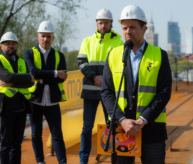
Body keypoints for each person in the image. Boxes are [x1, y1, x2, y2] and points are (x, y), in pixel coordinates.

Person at [101, 5, 172, 164]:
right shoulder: (113, 55)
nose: (128, 31)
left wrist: (142, 119)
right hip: (122, 129)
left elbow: (164, 92)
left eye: (133, 27)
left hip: (152, 128)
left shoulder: (160, 55)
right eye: (124, 28)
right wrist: (122, 120)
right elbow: (106, 92)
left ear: (144, 28)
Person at [77, 8, 123, 164]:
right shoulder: (87, 41)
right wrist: (95, 77)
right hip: (90, 91)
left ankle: (113, 158)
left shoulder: (118, 42)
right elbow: (81, 63)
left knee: (111, 126)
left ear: (111, 24)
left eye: (106, 23)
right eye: (100, 22)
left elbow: (120, 66)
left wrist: (105, 79)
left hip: (108, 92)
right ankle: (83, 159)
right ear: (96, 23)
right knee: (87, 127)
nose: (103, 26)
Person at [24, 21, 67, 164]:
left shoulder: (59, 55)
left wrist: (43, 76)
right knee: (36, 134)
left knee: (57, 135)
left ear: (53, 38)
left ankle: (63, 162)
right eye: (43, 36)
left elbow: (63, 78)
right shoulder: (29, 53)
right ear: (38, 36)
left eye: (48, 36)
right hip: (35, 100)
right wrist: (55, 73)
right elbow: (34, 73)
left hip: (53, 101)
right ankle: (40, 161)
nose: (45, 39)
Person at [0, 32, 34, 164]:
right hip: (6, 108)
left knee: (17, 145)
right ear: (1, 46)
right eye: (8, 43)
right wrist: (24, 79)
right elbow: (7, 76)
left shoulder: (22, 61)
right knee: (5, 145)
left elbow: (31, 81)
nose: (11, 46)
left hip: (21, 108)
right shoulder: (0, 60)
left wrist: (13, 81)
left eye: (13, 43)